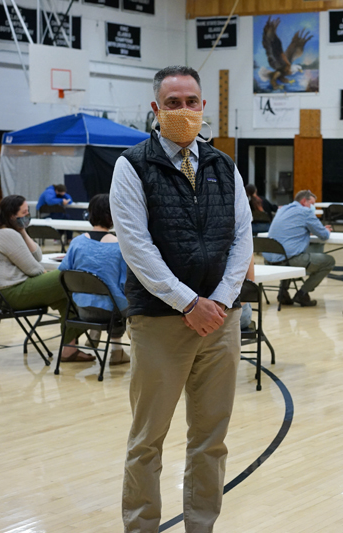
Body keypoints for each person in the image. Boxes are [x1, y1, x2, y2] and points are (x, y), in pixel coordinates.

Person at [110, 65, 252, 533]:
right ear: (156, 109)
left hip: (220, 321)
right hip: (159, 322)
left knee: (211, 441)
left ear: (203, 107)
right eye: (173, 103)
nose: (184, 111)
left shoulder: (224, 165)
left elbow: (242, 239)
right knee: (147, 441)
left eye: (191, 101)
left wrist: (222, 301)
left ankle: (201, 526)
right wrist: (189, 303)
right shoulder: (131, 165)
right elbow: (136, 247)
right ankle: (141, 527)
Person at [0, 195, 90, 362]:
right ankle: (92, 330)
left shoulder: (7, 231)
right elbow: (34, 269)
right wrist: (45, 275)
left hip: (9, 293)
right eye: (24, 212)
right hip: (13, 292)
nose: (27, 215)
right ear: (12, 216)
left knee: (66, 299)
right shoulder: (7, 234)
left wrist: (23, 230)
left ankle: (69, 349)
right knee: (66, 275)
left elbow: (37, 255)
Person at [58, 193, 130, 365]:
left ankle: (95, 336)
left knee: (104, 294)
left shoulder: (76, 242)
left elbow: (64, 272)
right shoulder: (120, 247)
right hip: (110, 312)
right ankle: (116, 350)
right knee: (124, 300)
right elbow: (125, 284)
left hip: (82, 308)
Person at [263, 189, 335, 307]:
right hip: (287, 260)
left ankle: (283, 293)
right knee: (329, 261)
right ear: (303, 201)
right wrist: (325, 229)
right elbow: (324, 235)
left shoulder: (282, 209)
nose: (312, 207)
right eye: (311, 204)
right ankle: (303, 293)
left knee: (288, 253)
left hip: (269, 260)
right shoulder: (305, 212)